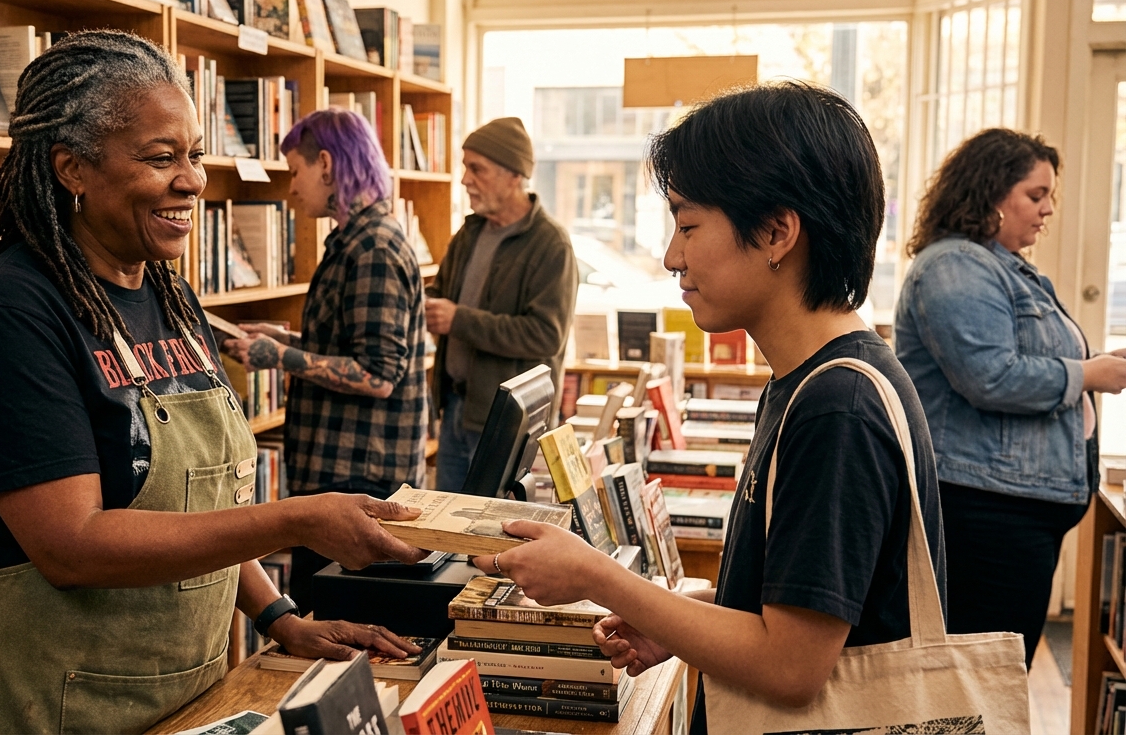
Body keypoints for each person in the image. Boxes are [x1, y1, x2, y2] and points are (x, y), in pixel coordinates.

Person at [0, 31, 425, 735]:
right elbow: (71, 545)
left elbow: (201, 509)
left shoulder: (171, 295)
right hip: (43, 697)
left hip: (180, 690)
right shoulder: (10, 313)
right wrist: (296, 519)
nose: (192, 180)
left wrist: (281, 619)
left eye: (193, 154)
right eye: (161, 158)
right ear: (72, 168)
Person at [470, 82, 945, 732]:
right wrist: (680, 616)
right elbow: (798, 607)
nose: (672, 257)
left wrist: (596, 576)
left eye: (688, 225)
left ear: (777, 232)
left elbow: (791, 667)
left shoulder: (838, 408)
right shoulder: (808, 382)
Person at [895, 128, 1126, 667]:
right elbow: (990, 376)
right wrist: (1086, 374)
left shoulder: (1001, 266)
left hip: (1014, 506)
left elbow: (1026, 358)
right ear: (990, 193)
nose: (1048, 210)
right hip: (985, 510)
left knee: (997, 670)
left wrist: (1096, 365)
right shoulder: (955, 265)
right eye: (1035, 195)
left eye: (1050, 196)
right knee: (984, 674)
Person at [221, 108, 428, 615]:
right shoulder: (356, 242)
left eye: (296, 171)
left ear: (328, 165)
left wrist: (279, 355)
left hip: (359, 474)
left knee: (338, 623)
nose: (292, 188)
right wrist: (285, 338)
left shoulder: (373, 248)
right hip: (344, 467)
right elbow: (350, 342)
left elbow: (378, 374)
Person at [424, 117, 577, 491]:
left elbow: (545, 336)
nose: (465, 179)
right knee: (447, 522)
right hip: (455, 409)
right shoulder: (469, 233)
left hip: (506, 426)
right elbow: (440, 294)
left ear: (514, 176)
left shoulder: (551, 244)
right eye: (465, 167)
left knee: (492, 525)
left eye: (477, 169)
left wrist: (459, 320)